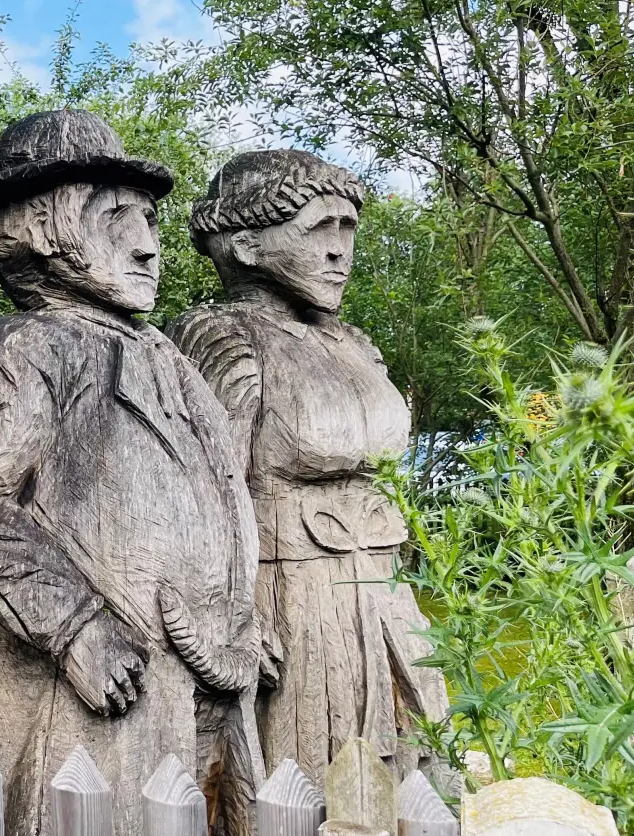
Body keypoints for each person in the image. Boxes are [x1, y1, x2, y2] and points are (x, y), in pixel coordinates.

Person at [0, 110, 262, 836]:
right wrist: (76, 629)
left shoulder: (166, 355)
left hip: (197, 675)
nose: (147, 245)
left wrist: (239, 614)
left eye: (150, 221)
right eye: (116, 219)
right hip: (82, 692)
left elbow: (223, 491)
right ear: (42, 229)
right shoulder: (17, 346)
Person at [167, 149, 449, 781]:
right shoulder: (224, 337)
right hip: (293, 599)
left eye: (348, 229)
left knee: (419, 768)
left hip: (385, 589)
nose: (340, 251)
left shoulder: (355, 345)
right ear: (247, 246)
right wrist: (231, 616)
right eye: (320, 228)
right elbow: (204, 500)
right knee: (307, 780)